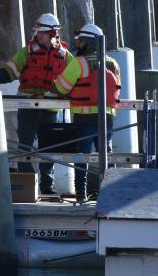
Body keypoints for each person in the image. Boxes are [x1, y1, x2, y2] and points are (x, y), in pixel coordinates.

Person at [0, 13, 77, 195]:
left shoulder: (65, 56)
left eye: (43, 33)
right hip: (29, 105)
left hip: (50, 107)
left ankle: (47, 186)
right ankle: (27, 185)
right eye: (38, 32)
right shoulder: (27, 52)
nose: (39, 35)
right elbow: (12, 68)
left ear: (53, 34)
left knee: (49, 148)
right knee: (25, 146)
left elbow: (75, 76)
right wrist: (0, 76)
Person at [53, 23, 121, 203]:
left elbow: (62, 87)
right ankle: (110, 193)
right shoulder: (113, 63)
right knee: (106, 155)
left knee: (81, 157)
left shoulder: (78, 63)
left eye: (81, 41)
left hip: (84, 118)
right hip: (107, 118)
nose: (78, 44)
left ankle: (81, 195)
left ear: (89, 43)